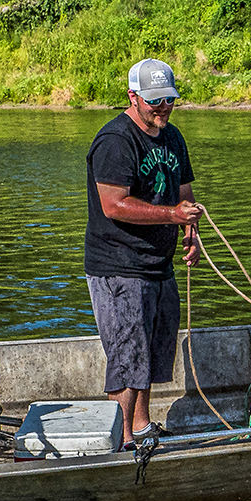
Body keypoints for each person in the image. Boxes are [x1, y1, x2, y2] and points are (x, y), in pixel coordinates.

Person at [85, 57, 202, 450]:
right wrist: (171, 215)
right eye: (155, 100)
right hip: (118, 267)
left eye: (169, 98)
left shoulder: (172, 136)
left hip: (158, 265)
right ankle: (122, 440)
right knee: (127, 355)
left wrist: (190, 229)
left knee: (152, 350)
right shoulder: (115, 141)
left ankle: (143, 425)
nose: (163, 107)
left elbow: (183, 189)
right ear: (132, 97)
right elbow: (113, 204)